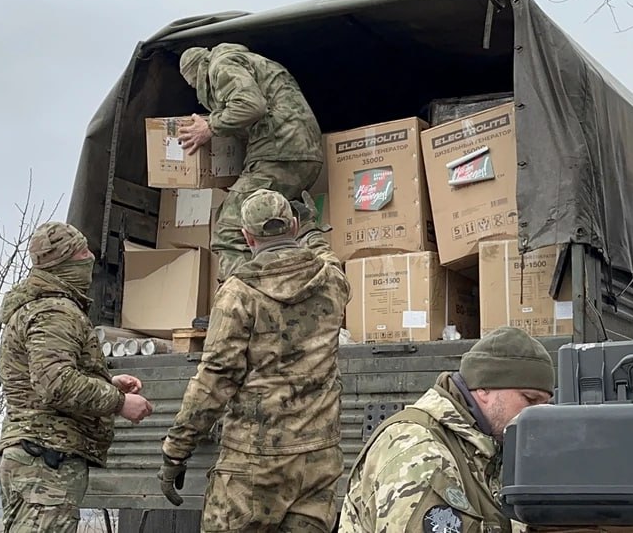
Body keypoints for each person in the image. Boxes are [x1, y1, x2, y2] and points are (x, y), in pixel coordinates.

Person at [158, 189, 348, 532]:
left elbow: (215, 380)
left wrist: (176, 450)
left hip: (254, 462)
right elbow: (325, 255)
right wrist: (311, 230)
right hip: (318, 460)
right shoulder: (331, 280)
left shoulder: (239, 294)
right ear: (291, 225)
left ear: (247, 237)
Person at [0, 222, 154, 532]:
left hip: (35, 457)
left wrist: (107, 382)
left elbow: (43, 377)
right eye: (82, 252)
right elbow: (54, 383)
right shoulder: (55, 311)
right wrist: (118, 402)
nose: (90, 257)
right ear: (64, 262)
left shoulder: (37, 307)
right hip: (46, 461)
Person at [337, 326, 555, 533]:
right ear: (484, 388)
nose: (538, 414)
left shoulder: (487, 446)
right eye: (530, 399)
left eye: (545, 404)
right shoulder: (421, 451)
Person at [176, 43, 325, 284]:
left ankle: (240, 302)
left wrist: (210, 126)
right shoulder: (250, 61)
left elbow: (251, 105)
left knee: (230, 229)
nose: (195, 89)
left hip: (278, 153)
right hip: (300, 153)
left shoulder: (221, 65)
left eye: (193, 84)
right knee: (278, 229)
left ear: (195, 73)